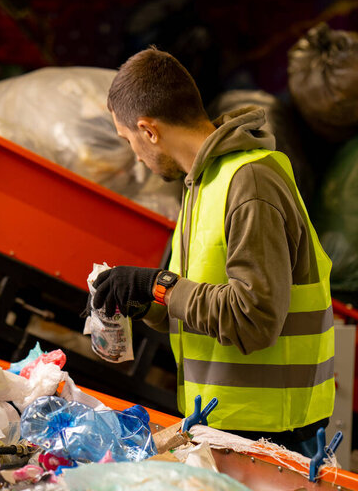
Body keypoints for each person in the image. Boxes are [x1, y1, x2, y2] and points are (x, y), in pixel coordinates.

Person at [93, 47, 335, 457]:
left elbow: (252, 318)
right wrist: (142, 300)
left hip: (274, 436)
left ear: (149, 130)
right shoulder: (202, 185)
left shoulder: (250, 182)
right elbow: (195, 306)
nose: (135, 154)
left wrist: (158, 285)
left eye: (129, 139)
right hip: (226, 427)